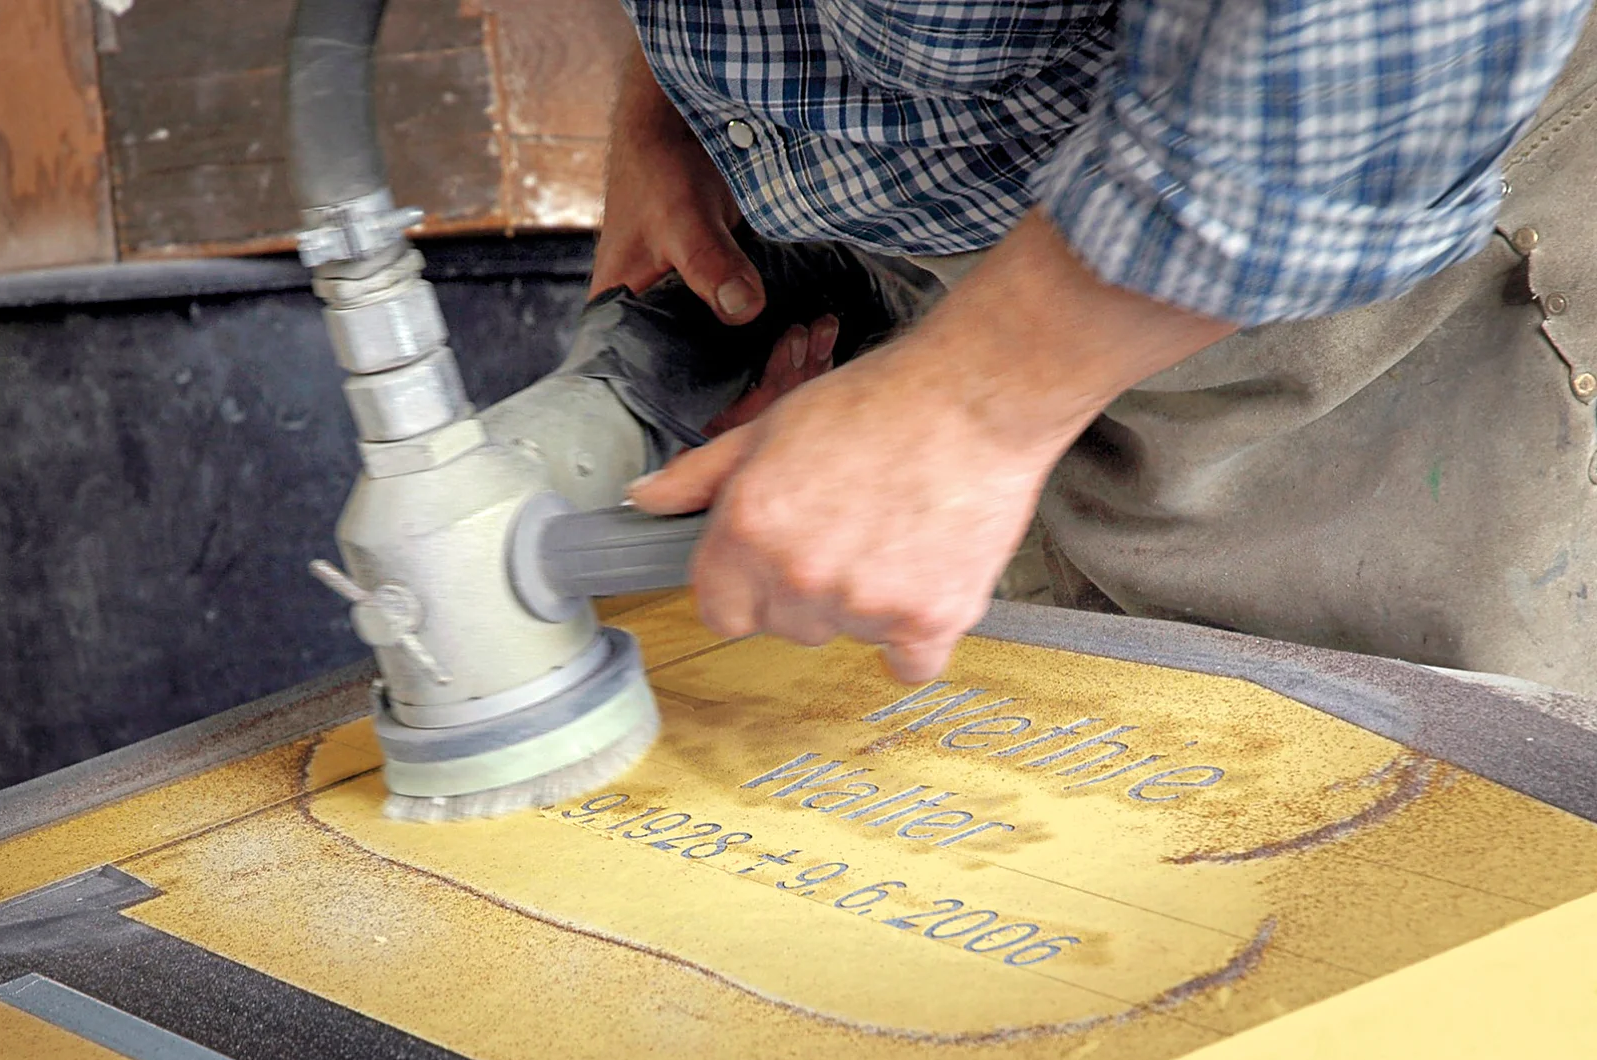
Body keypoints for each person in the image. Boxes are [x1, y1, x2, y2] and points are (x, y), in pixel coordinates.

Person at [604, 0, 1597, 694]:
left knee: (1436, 842)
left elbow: (1398, 47)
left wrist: (968, 406)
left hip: (1356, 235)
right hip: (989, 296)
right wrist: (672, 107)